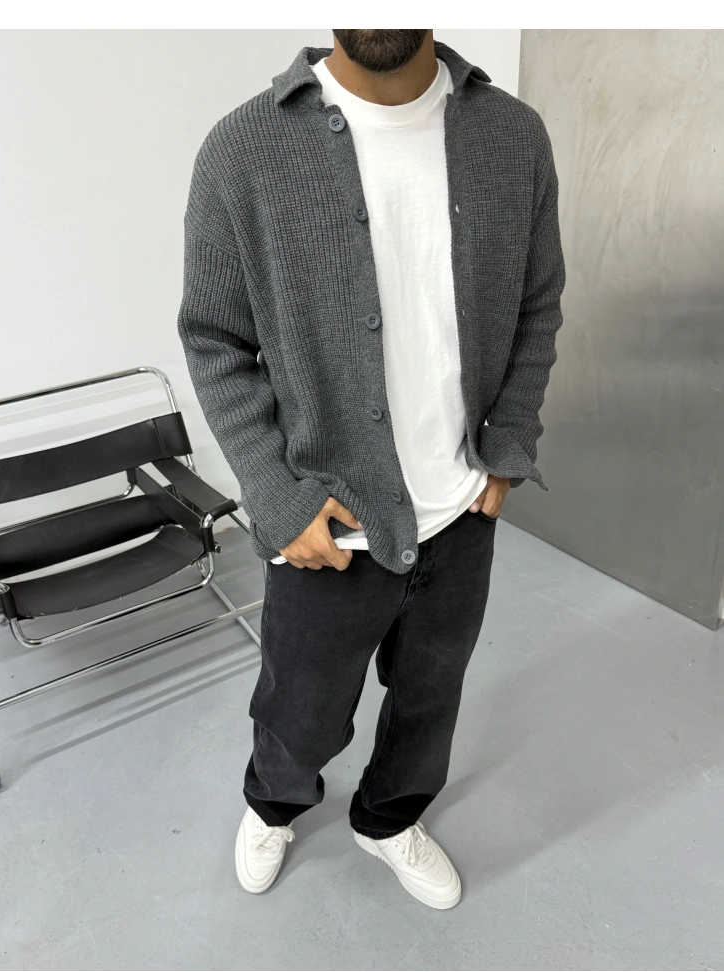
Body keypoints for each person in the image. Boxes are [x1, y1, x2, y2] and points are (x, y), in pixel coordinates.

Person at [177, 26, 565, 909]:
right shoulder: (244, 149)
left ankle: (388, 819)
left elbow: (536, 304)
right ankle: (272, 805)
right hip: (330, 518)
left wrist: (508, 443)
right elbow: (215, 341)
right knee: (300, 709)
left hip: (461, 510)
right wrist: (277, 498)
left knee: (430, 698)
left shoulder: (511, 136)